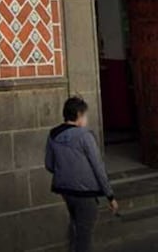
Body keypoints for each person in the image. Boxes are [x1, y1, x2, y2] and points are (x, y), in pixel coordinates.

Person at [45, 96, 118, 252]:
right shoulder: (85, 135)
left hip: (65, 190)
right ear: (78, 115)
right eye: (85, 115)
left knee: (76, 227)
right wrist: (110, 196)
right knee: (85, 236)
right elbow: (98, 167)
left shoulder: (53, 134)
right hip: (85, 192)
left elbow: (49, 165)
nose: (86, 119)